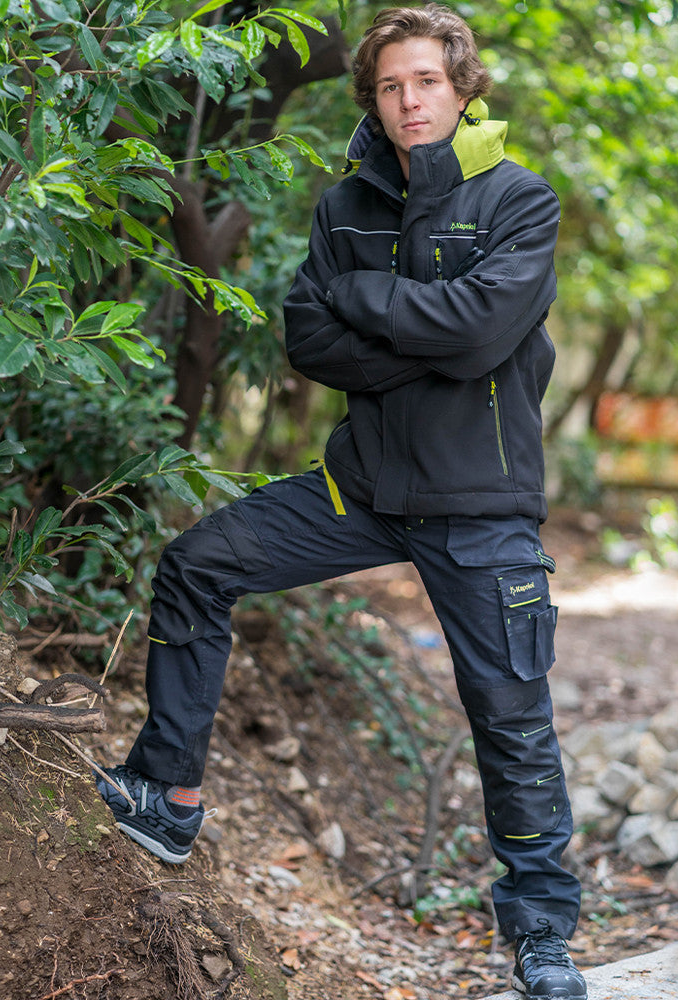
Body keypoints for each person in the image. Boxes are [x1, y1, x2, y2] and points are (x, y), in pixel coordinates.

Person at [95, 5, 586, 998]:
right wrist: (429, 341)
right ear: (373, 96)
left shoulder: (518, 201)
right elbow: (309, 339)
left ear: (463, 88)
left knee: (510, 719)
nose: (410, 101)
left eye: (428, 81)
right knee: (196, 564)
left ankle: (542, 936)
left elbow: (479, 334)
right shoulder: (346, 205)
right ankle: (168, 793)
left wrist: (367, 302)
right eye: (391, 85)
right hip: (359, 486)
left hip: (480, 502)